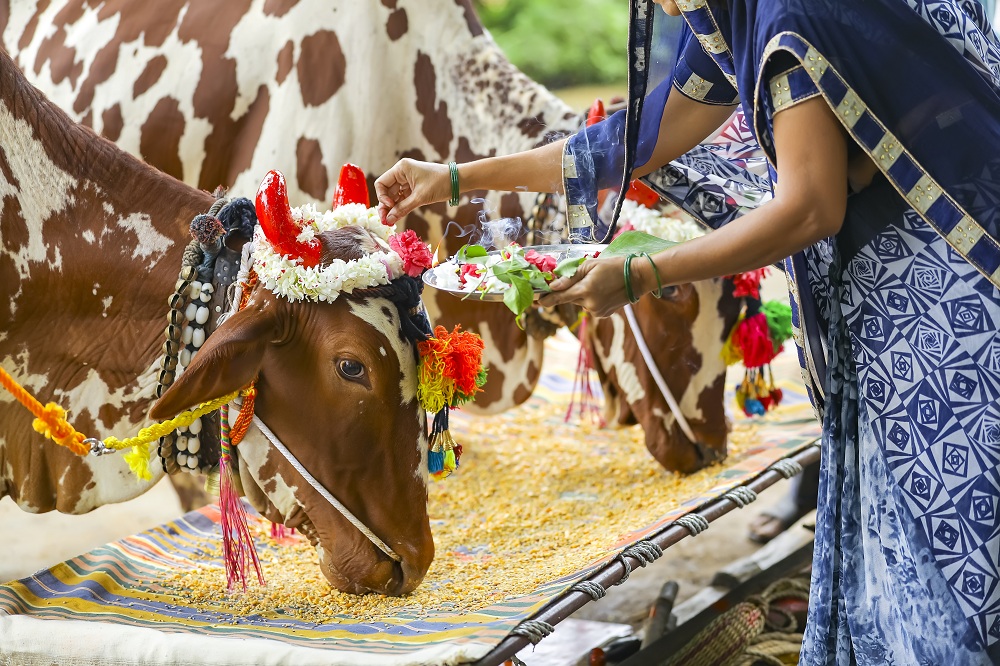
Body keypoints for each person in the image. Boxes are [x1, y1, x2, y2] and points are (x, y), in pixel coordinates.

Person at [376, 0, 1000, 663]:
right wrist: (451, 179)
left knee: (951, 574)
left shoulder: (794, 18)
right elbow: (638, 141)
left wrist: (641, 274)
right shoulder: (737, 11)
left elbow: (811, 206)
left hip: (946, 323)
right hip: (896, 322)